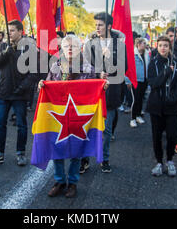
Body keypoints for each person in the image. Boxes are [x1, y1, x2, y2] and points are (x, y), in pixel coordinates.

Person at [38, 35, 107, 198]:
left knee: (77, 151)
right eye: (66, 45)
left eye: (73, 46)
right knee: (57, 149)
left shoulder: (89, 69)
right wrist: (42, 85)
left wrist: (103, 85)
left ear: (80, 48)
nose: (70, 48)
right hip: (59, 116)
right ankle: (60, 181)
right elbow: (48, 87)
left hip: (79, 117)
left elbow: (95, 91)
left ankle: (73, 183)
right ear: (61, 48)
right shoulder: (55, 67)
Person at [0, 20, 37, 166]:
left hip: (19, 94)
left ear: (20, 31)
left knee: (21, 125)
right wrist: (6, 53)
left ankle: (21, 153)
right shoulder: (3, 45)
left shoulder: (28, 48)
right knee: (0, 124)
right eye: (8, 31)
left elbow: (33, 73)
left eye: (12, 30)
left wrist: (22, 88)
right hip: (4, 92)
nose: (10, 33)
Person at [81, 12, 127, 173]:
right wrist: (98, 73)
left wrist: (110, 57)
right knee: (87, 128)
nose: (97, 28)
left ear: (108, 26)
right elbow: (85, 67)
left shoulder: (119, 45)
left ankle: (104, 158)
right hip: (92, 93)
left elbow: (124, 68)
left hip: (111, 93)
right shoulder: (90, 43)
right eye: (96, 25)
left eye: (100, 25)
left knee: (106, 131)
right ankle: (84, 158)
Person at [147, 36, 177, 177]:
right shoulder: (153, 63)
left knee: (172, 135)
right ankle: (159, 162)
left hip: (171, 106)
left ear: (169, 47)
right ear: (157, 46)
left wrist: (174, 96)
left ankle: (170, 160)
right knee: (156, 136)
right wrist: (166, 72)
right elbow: (154, 83)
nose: (163, 48)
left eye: (166, 45)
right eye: (160, 45)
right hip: (156, 105)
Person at [127, 38, 150, 128]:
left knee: (140, 99)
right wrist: (128, 81)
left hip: (144, 80)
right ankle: (132, 119)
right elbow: (128, 68)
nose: (145, 45)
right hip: (135, 81)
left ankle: (138, 115)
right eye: (144, 43)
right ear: (138, 44)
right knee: (135, 99)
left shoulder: (146, 54)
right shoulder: (133, 54)